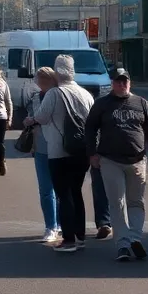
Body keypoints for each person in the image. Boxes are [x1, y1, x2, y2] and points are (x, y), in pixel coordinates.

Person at [85, 68, 148, 262]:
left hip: (137, 160)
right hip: (110, 160)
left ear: (129, 82)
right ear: (112, 83)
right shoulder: (102, 104)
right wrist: (92, 153)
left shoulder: (140, 103)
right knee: (117, 203)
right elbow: (90, 128)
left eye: (125, 81)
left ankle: (135, 238)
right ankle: (123, 245)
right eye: (118, 81)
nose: (122, 84)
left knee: (136, 202)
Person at [33, 54, 95, 253]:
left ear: (57, 71)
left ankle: (68, 240)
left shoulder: (54, 93)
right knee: (76, 192)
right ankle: (80, 236)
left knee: (63, 194)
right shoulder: (85, 94)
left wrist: (29, 120)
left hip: (59, 151)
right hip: (82, 150)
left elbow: (41, 117)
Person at [25, 67, 61, 243]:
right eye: (38, 80)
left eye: (42, 79)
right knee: (46, 190)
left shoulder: (59, 95)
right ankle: (51, 226)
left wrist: (35, 119)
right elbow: (32, 117)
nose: (39, 83)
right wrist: (30, 121)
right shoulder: (35, 98)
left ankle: (62, 224)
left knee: (61, 189)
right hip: (40, 147)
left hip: (60, 148)